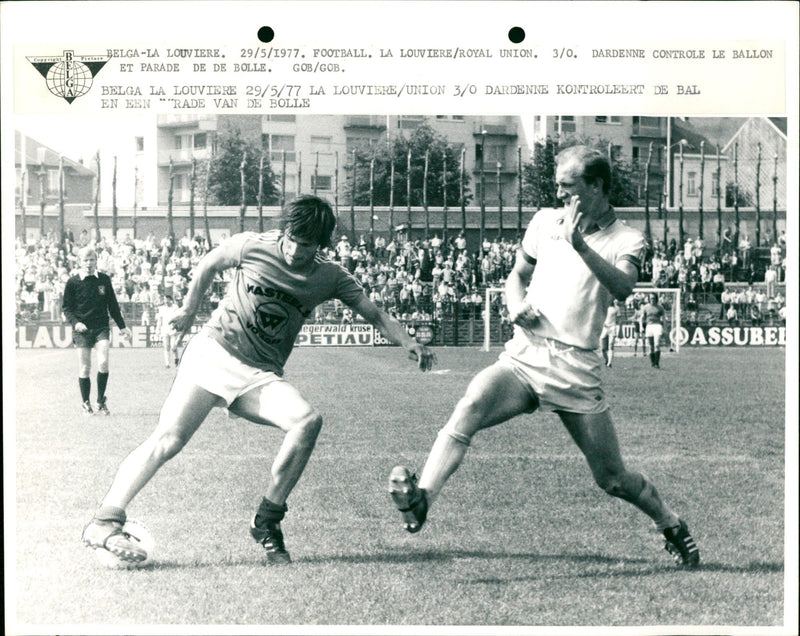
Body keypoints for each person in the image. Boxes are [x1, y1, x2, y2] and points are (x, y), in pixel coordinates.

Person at [388, 146, 699, 568]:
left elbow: (624, 288)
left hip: (575, 369)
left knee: (612, 480)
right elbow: (517, 276)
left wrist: (581, 246)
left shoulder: (627, 238)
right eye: (557, 184)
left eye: (567, 185)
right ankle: (423, 499)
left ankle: (671, 524)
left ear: (596, 186)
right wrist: (515, 305)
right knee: (471, 404)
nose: (558, 192)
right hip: (525, 355)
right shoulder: (543, 221)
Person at [81, 196, 436, 566]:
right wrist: (188, 309)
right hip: (213, 353)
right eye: (293, 239)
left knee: (306, 422)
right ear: (285, 231)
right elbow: (210, 262)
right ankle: (105, 520)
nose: (297, 250)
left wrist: (410, 342)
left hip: (259, 375)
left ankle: (267, 520)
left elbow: (375, 314)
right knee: (168, 440)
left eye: (308, 244)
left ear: (321, 246)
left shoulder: (330, 276)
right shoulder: (254, 245)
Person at [62, 247, 131, 415]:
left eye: (92, 260)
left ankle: (100, 401)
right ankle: (86, 403)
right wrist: (76, 323)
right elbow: (66, 308)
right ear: (79, 261)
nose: (89, 263)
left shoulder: (104, 280)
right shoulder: (73, 282)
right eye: (85, 260)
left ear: (96, 261)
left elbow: (113, 305)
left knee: (103, 363)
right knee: (85, 367)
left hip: (101, 327)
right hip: (82, 331)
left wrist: (122, 326)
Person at [155, 295, 182, 368]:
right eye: (164, 300)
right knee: (166, 346)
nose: (166, 301)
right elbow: (160, 320)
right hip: (164, 329)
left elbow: (178, 317)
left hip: (173, 329)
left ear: (171, 300)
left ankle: (176, 358)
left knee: (173, 346)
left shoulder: (175, 307)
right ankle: (167, 364)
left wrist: (177, 324)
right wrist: (157, 329)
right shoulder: (161, 308)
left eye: (167, 300)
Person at [642, 293, 665, 369]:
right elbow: (642, 317)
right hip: (649, 326)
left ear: (656, 299)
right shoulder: (645, 307)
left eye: (653, 298)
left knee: (657, 344)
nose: (652, 300)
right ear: (648, 299)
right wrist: (642, 327)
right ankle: (652, 363)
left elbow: (663, 318)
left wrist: (664, 328)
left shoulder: (660, 307)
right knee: (650, 346)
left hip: (657, 326)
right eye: (651, 298)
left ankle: (657, 363)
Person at [600, 299, 620, 368]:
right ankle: (606, 359)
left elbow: (619, 319)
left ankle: (609, 363)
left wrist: (619, 329)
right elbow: (600, 316)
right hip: (605, 328)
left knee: (611, 345)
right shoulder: (604, 307)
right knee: (603, 348)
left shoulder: (616, 308)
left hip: (612, 327)